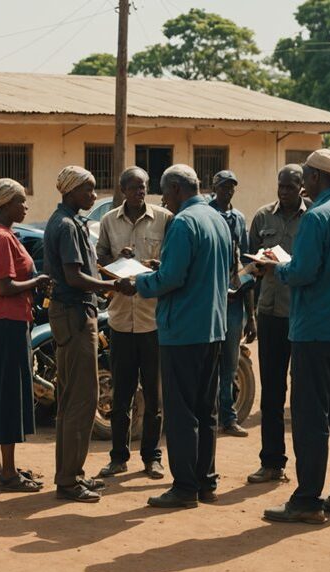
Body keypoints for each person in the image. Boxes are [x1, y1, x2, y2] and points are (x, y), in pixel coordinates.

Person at [261, 149, 330, 524]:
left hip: (315, 330)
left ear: (313, 178)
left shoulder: (317, 218)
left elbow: (303, 272)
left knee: (310, 416)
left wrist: (279, 267)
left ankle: (307, 499)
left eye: (306, 176)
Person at [118, 164, 232, 509]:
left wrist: (138, 283)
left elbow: (172, 280)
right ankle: (205, 481)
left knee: (181, 412)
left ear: (178, 189)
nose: (163, 200)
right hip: (212, 327)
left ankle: (184, 487)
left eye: (165, 192)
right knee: (206, 409)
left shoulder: (183, 222)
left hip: (183, 329)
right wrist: (161, 270)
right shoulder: (216, 218)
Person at [43, 166, 126, 503]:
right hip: (75, 315)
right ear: (71, 191)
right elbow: (75, 277)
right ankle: (68, 481)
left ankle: (71, 474)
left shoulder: (68, 222)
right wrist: (112, 285)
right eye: (88, 190)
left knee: (71, 399)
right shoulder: (65, 226)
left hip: (74, 313)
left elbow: (83, 270)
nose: (93, 196)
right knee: (82, 399)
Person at [96, 167, 172, 480]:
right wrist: (117, 261)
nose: (140, 193)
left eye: (144, 187)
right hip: (119, 318)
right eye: (134, 188)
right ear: (123, 189)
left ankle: (152, 457)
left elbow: (172, 263)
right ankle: (118, 457)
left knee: (153, 397)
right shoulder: (108, 221)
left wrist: (155, 265)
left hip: (152, 319)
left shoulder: (164, 219)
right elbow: (99, 265)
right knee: (121, 394)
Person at [0, 178, 49, 492]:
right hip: (8, 320)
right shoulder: (3, 238)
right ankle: (8, 473)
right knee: (8, 395)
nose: (25, 206)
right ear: (6, 204)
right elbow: (7, 286)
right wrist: (39, 280)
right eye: (20, 201)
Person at [247, 164, 309, 484]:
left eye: (290, 187)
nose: (283, 192)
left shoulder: (313, 217)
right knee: (271, 393)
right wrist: (259, 265)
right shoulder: (262, 217)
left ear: (302, 187)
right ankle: (272, 463)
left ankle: (305, 470)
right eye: (280, 186)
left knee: (301, 396)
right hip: (270, 314)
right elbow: (250, 263)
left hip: (301, 316)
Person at [208, 170, 256, 437]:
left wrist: (252, 314)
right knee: (207, 362)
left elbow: (246, 266)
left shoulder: (238, 219)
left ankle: (228, 417)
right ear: (215, 187)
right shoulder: (207, 214)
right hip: (210, 299)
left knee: (230, 361)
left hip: (234, 299)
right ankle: (209, 415)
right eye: (224, 186)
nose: (228, 191)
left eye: (231, 187)